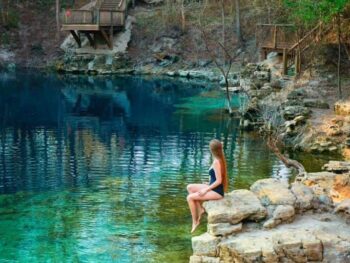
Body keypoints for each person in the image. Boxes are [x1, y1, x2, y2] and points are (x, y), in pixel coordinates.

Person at [186, 139, 228, 233]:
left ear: (211, 150)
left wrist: (206, 189)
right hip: (213, 187)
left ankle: (195, 221)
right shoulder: (219, 159)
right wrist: (208, 183)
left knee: (190, 198)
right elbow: (215, 177)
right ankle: (200, 209)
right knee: (190, 187)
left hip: (217, 192)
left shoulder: (217, 162)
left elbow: (219, 180)